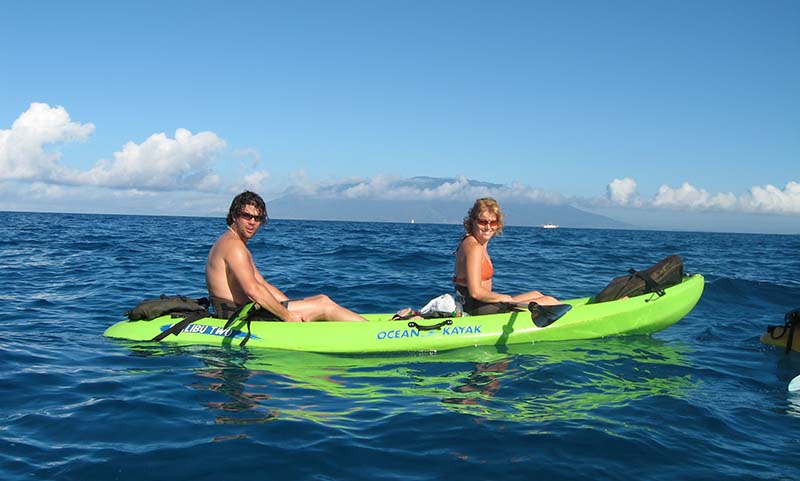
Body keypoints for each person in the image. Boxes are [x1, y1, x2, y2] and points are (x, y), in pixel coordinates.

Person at [205, 191, 367, 322]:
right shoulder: (234, 247)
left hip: (241, 311)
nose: (252, 222)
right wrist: (287, 316)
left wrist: (289, 305)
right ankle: (373, 333)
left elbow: (261, 284)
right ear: (234, 216)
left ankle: (367, 327)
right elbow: (253, 291)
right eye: (247, 216)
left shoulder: (231, 242)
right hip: (236, 317)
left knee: (320, 299)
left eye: (258, 218)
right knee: (323, 305)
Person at [453, 197, 561, 315]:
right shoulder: (475, 248)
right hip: (475, 307)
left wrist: (507, 299)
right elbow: (476, 292)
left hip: (478, 303)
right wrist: (505, 298)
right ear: (473, 221)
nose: (488, 227)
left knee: (536, 294)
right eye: (483, 222)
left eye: (492, 222)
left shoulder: (475, 242)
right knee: (550, 301)